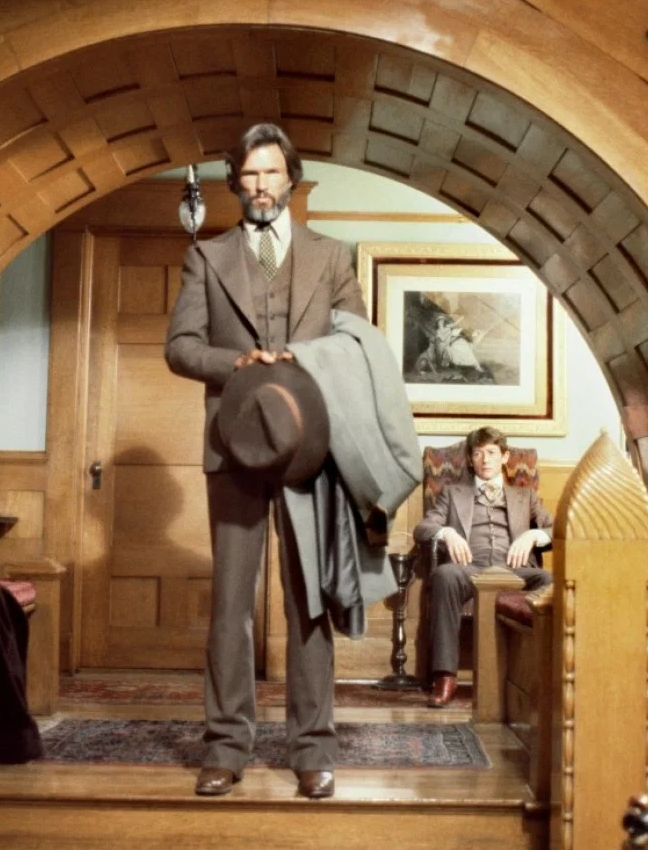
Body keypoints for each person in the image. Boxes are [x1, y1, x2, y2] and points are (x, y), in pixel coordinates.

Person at [164, 122, 366, 799]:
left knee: (308, 601)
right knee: (230, 605)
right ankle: (225, 747)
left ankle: (313, 750)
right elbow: (180, 346)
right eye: (249, 174)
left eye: (271, 172)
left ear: (291, 179)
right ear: (235, 183)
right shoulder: (206, 257)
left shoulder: (333, 256)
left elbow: (356, 343)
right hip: (235, 445)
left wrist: (303, 360)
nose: (260, 185)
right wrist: (238, 363)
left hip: (310, 449)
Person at [413, 425, 553, 708]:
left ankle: (538, 675)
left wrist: (533, 535)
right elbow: (423, 528)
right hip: (469, 570)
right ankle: (445, 677)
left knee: (550, 581)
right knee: (444, 575)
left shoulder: (525, 496)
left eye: (491, 452)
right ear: (470, 459)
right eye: (478, 454)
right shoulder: (453, 493)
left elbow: (556, 528)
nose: (485, 460)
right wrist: (447, 533)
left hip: (514, 570)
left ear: (505, 457)